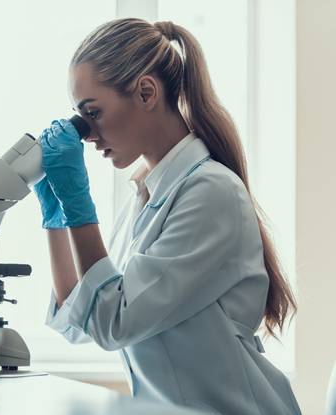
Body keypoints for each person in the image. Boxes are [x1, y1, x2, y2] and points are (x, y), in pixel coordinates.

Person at [33, 18, 301, 414]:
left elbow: (115, 323)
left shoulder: (210, 193)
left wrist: (78, 206)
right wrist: (56, 217)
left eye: (93, 113)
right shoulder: (146, 193)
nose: (87, 135)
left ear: (145, 92)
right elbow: (80, 321)